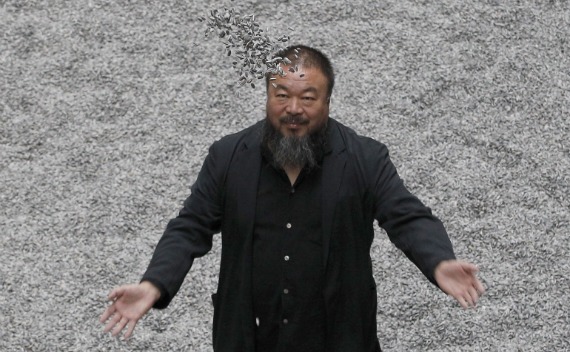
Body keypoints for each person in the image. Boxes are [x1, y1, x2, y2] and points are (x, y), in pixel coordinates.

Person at [100, 45, 485, 351]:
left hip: (339, 339)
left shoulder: (366, 158)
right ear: (268, 96)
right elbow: (190, 226)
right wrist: (154, 284)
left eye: (308, 98)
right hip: (248, 339)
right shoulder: (228, 156)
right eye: (281, 95)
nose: (293, 109)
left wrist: (438, 261)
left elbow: (407, 217)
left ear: (328, 102)